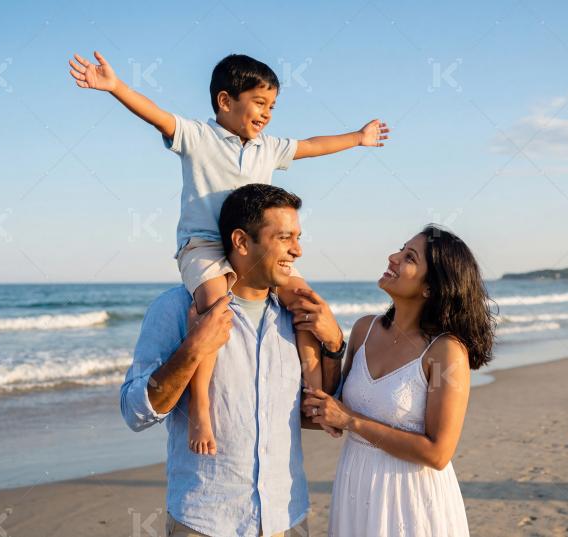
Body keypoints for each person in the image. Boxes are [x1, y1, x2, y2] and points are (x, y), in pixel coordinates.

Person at [70, 51, 388, 454]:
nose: (267, 113)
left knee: (304, 301)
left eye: (272, 105)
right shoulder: (198, 137)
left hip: (256, 251)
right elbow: (157, 114)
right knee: (215, 308)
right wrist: (115, 87)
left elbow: (311, 145)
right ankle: (201, 405)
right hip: (203, 244)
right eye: (259, 103)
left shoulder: (267, 148)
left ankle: (312, 389)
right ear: (225, 101)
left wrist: (358, 138)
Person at [120, 184, 345, 536]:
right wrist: (192, 348)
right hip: (205, 521)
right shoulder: (175, 308)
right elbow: (135, 412)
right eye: (284, 237)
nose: (297, 251)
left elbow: (319, 414)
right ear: (241, 242)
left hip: (286, 518)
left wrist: (334, 345)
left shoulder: (298, 317)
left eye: (298, 237)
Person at [303, 225, 496, 536]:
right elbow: (330, 413)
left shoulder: (445, 352)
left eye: (409, 257)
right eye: (400, 249)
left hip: (411, 499)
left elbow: (438, 453)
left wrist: (351, 420)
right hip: (356, 489)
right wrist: (331, 344)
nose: (392, 257)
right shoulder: (364, 330)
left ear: (430, 287)